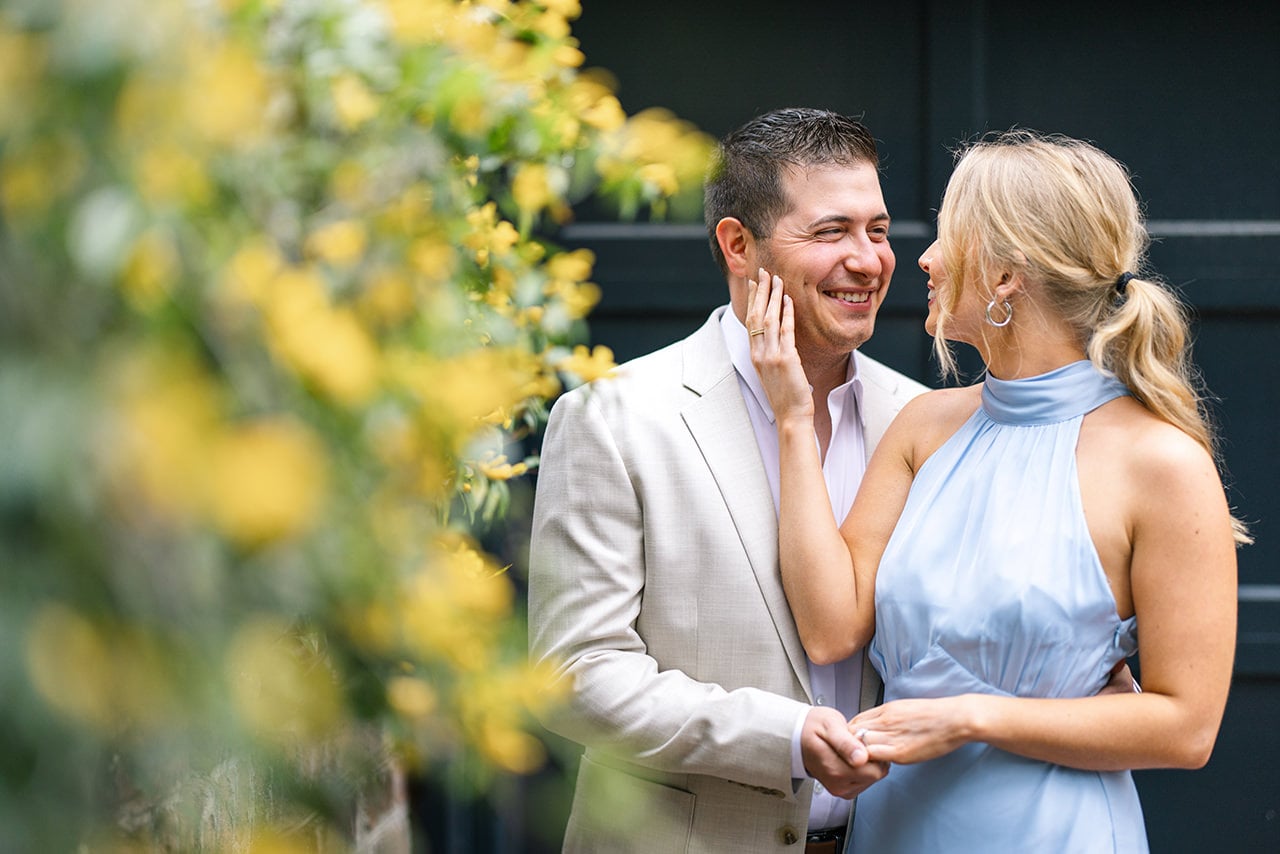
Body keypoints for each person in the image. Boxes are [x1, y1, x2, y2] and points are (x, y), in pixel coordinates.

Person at [747, 129, 1247, 852]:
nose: (922, 258)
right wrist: (796, 417)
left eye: (948, 236)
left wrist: (971, 716)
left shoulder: (1161, 464)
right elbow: (830, 626)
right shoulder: (926, 426)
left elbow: (1186, 727)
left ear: (1007, 275)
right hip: (896, 828)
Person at [527, 107, 929, 852]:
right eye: (831, 231)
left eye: (877, 230)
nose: (870, 260)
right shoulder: (614, 418)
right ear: (738, 245)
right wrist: (783, 737)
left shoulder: (921, 419)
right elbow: (577, 672)